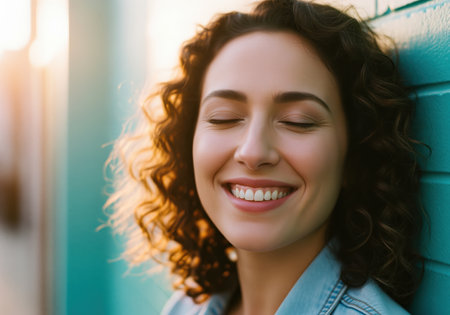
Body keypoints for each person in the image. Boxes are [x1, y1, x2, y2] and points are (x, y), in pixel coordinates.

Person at [105, 0, 425, 313]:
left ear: (353, 157)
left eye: (298, 121)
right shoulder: (185, 307)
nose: (253, 151)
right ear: (189, 144)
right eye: (224, 118)